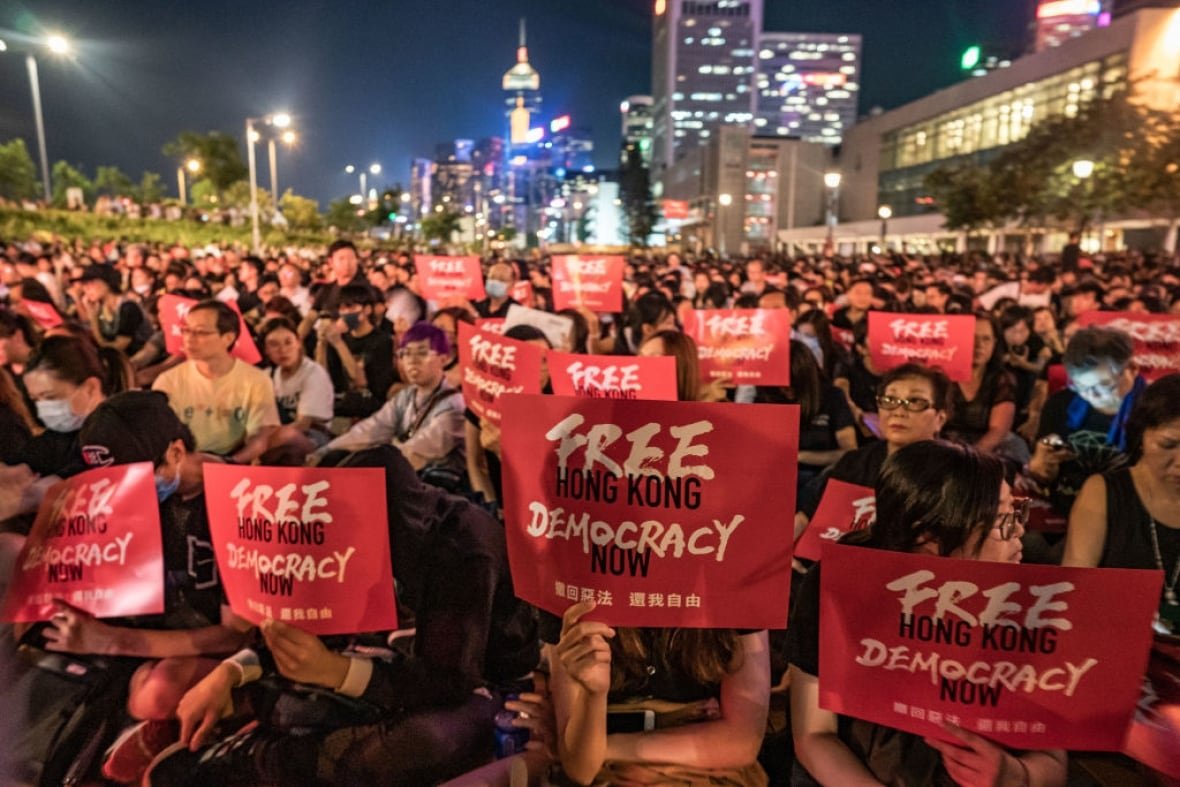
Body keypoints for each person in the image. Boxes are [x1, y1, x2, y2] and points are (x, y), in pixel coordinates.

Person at [146, 444, 540, 785]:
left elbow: (449, 679)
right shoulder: (343, 527)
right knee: (286, 697)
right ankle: (265, 738)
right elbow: (307, 622)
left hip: (479, 684)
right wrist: (233, 672)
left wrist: (333, 672)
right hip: (383, 663)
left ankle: (263, 760)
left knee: (422, 743)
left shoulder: (462, 552)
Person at [788, 440, 1067, 786]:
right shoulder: (840, 583)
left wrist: (1014, 774)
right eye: (1000, 518)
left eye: (1016, 511)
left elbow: (1053, 759)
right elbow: (813, 735)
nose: (1020, 529)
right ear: (928, 535)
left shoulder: (1032, 602)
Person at [547, 604, 769, 785]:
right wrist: (593, 694)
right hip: (607, 770)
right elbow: (580, 768)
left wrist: (606, 748)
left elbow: (742, 741)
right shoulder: (574, 580)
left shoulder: (736, 569)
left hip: (699, 770)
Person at [1063, 373, 1180, 634]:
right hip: (1117, 643)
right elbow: (1075, 592)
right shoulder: (1103, 493)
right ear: (1141, 437)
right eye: (1168, 445)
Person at [795, 364, 953, 547]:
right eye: (889, 399)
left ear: (940, 419)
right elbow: (806, 516)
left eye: (915, 401)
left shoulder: (953, 476)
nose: (899, 411)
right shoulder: (853, 462)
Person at [315, 322, 465, 481]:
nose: (412, 361)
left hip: (439, 487)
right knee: (334, 457)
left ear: (444, 359)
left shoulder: (454, 405)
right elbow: (372, 429)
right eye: (406, 353)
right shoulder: (407, 395)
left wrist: (358, 468)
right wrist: (324, 452)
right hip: (407, 475)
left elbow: (416, 452)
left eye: (422, 353)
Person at [1027, 326, 1145, 520]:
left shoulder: (1154, 409)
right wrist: (1041, 469)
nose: (1092, 396)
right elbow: (1044, 476)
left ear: (1132, 368)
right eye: (1081, 386)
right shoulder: (1061, 404)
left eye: (1105, 385)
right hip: (1070, 510)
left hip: (1132, 515)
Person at [152, 300, 280, 463]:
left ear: (227, 338)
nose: (189, 339)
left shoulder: (255, 380)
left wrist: (229, 462)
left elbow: (261, 435)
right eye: (186, 331)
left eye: (200, 332)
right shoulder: (169, 381)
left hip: (233, 460)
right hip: (185, 463)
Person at [465, 324, 551, 508]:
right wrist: (491, 508)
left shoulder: (558, 406)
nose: (541, 369)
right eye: (530, 360)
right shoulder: (484, 399)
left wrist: (502, 451)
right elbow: (475, 464)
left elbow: (546, 479)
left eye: (545, 360)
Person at [757, 340, 857, 492]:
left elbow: (849, 453)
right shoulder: (767, 397)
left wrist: (799, 456)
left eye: (793, 385)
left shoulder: (831, 397)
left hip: (817, 478)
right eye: (781, 385)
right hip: (773, 477)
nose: (786, 391)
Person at [944, 312, 1024, 463]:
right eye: (972, 338)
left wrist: (970, 458)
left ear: (995, 343)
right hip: (944, 447)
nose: (978, 345)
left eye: (986, 339)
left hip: (986, 451)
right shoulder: (943, 375)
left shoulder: (1002, 379)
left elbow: (998, 430)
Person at [259, 317, 334, 463]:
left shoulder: (313, 373)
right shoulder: (268, 376)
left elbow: (303, 424)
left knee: (285, 436)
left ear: (298, 343)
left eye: (288, 342)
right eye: (274, 345)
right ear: (266, 350)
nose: (283, 350)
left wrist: (263, 442)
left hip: (313, 436)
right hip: (276, 433)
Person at [315, 283, 396, 418]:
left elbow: (360, 380)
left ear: (367, 310)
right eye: (342, 308)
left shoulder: (382, 341)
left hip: (369, 407)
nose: (346, 313)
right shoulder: (339, 337)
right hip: (339, 405)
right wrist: (322, 343)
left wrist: (339, 344)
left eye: (351, 307)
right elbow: (322, 375)